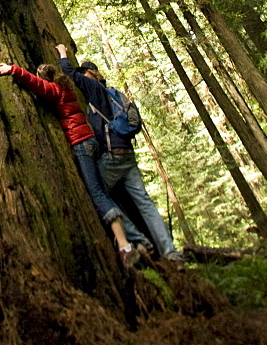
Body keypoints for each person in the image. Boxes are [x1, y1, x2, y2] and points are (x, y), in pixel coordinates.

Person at [0, 59, 140, 269]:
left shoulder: (56, 90)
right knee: (103, 192)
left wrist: (12, 69)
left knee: (97, 193)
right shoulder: (67, 89)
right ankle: (136, 243)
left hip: (81, 143)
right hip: (91, 140)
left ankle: (126, 247)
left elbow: (36, 84)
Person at [56, 44, 184, 267]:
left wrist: (62, 54)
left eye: (85, 73)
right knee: (145, 203)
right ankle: (170, 252)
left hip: (111, 156)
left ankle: (139, 239)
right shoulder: (115, 94)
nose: (83, 79)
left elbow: (69, 73)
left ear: (90, 74)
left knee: (100, 195)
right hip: (127, 155)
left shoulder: (95, 89)